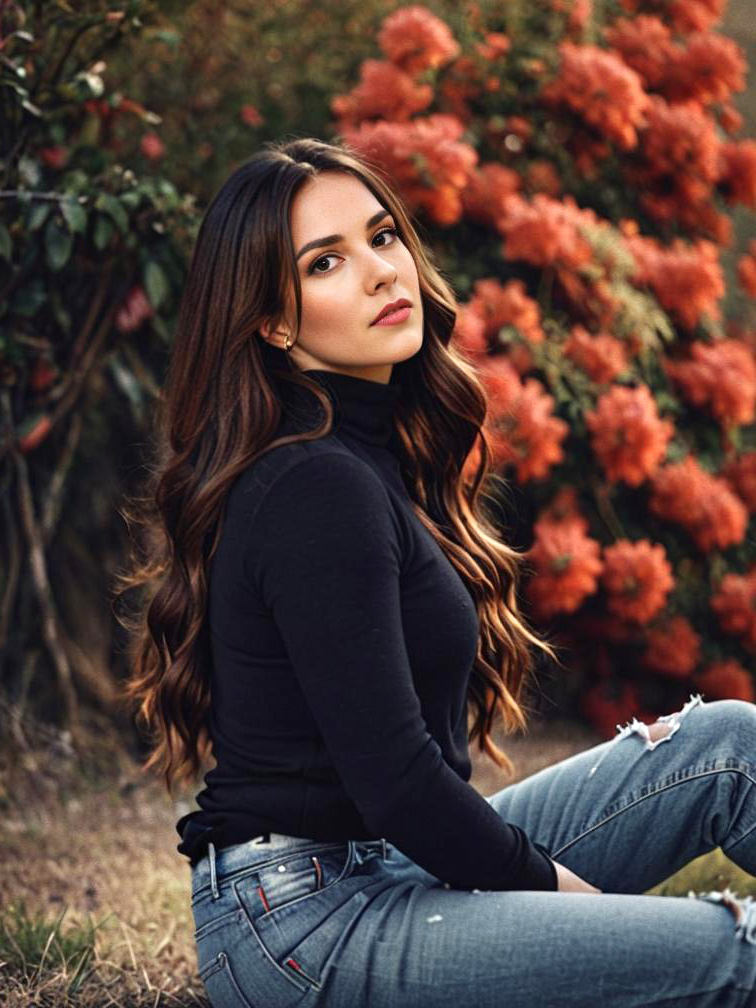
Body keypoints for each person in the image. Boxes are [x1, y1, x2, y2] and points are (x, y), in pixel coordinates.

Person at [120, 137, 756, 1007]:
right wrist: (576, 905)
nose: (384, 272)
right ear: (272, 320)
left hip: (385, 869)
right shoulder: (315, 484)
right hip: (306, 927)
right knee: (734, 952)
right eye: (327, 262)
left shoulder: (362, 453)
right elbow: (400, 785)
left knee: (727, 750)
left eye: (383, 237)